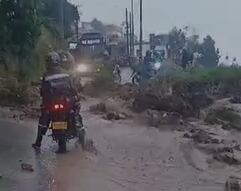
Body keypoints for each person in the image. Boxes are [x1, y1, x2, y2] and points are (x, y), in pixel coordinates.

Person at [32, 51, 83, 153]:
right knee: (76, 114)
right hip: (66, 103)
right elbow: (73, 88)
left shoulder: (46, 75)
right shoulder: (66, 73)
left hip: (53, 104)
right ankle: (82, 140)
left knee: (44, 119)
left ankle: (38, 142)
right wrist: (75, 96)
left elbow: (43, 92)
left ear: (47, 63)